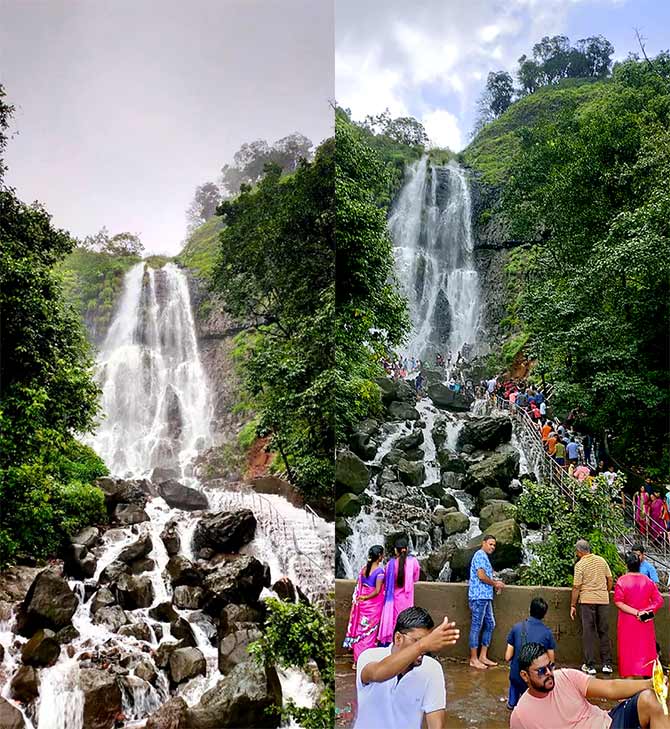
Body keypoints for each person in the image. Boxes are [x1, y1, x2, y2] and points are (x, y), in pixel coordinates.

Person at [510, 642, 670, 729]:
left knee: (651, 699)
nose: (549, 673)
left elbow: (611, 688)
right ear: (525, 675)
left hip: (610, 724)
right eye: (541, 671)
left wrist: (650, 683)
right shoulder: (521, 716)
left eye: (550, 667)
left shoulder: (565, 676)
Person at [354, 607, 459, 729]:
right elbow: (378, 673)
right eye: (417, 640)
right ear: (398, 638)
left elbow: (436, 722)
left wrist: (420, 645)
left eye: (428, 642)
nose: (425, 648)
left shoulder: (432, 669)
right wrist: (421, 645)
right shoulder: (369, 656)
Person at [614, 552, 665, 678]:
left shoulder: (621, 581)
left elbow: (618, 602)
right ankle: (647, 679)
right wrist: (646, 611)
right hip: (645, 621)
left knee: (627, 651)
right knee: (646, 649)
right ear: (639, 564)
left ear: (627, 565)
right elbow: (659, 600)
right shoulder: (648, 581)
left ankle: (628, 683)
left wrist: (636, 612)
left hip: (627, 621)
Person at [570, 539, 613, 675]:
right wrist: (605, 592)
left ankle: (590, 665)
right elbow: (610, 579)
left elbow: (576, 587)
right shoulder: (601, 560)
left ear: (579, 552)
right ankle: (607, 664)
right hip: (603, 600)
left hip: (587, 600)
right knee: (603, 631)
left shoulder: (580, 565)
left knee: (588, 632)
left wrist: (572, 605)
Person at [505, 597, 556, 710]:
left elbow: (507, 657)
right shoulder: (547, 633)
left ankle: (512, 704)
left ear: (530, 609)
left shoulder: (517, 628)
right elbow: (551, 661)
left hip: (516, 675)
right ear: (544, 614)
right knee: (532, 709)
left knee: (512, 707)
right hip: (533, 680)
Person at [344, 545, 386, 668]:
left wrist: (362, 597)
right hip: (373, 605)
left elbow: (361, 586)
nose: (383, 556)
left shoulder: (363, 569)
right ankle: (365, 661)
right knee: (370, 634)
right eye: (382, 555)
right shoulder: (380, 572)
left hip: (362, 605)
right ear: (379, 557)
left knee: (360, 631)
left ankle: (357, 661)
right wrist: (366, 597)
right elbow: (377, 591)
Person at [468, 534, 504, 670]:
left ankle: (483, 656)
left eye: (494, 545)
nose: (493, 547)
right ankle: (473, 659)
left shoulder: (484, 557)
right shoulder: (479, 555)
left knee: (490, 624)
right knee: (476, 626)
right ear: (483, 543)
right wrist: (495, 584)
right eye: (490, 544)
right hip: (478, 596)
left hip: (485, 596)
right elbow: (481, 576)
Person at [378, 537, 421, 645]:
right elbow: (415, 579)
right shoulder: (414, 562)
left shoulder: (390, 565)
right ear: (406, 549)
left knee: (395, 625)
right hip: (407, 601)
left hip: (394, 602)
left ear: (395, 550)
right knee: (407, 626)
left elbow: (386, 582)